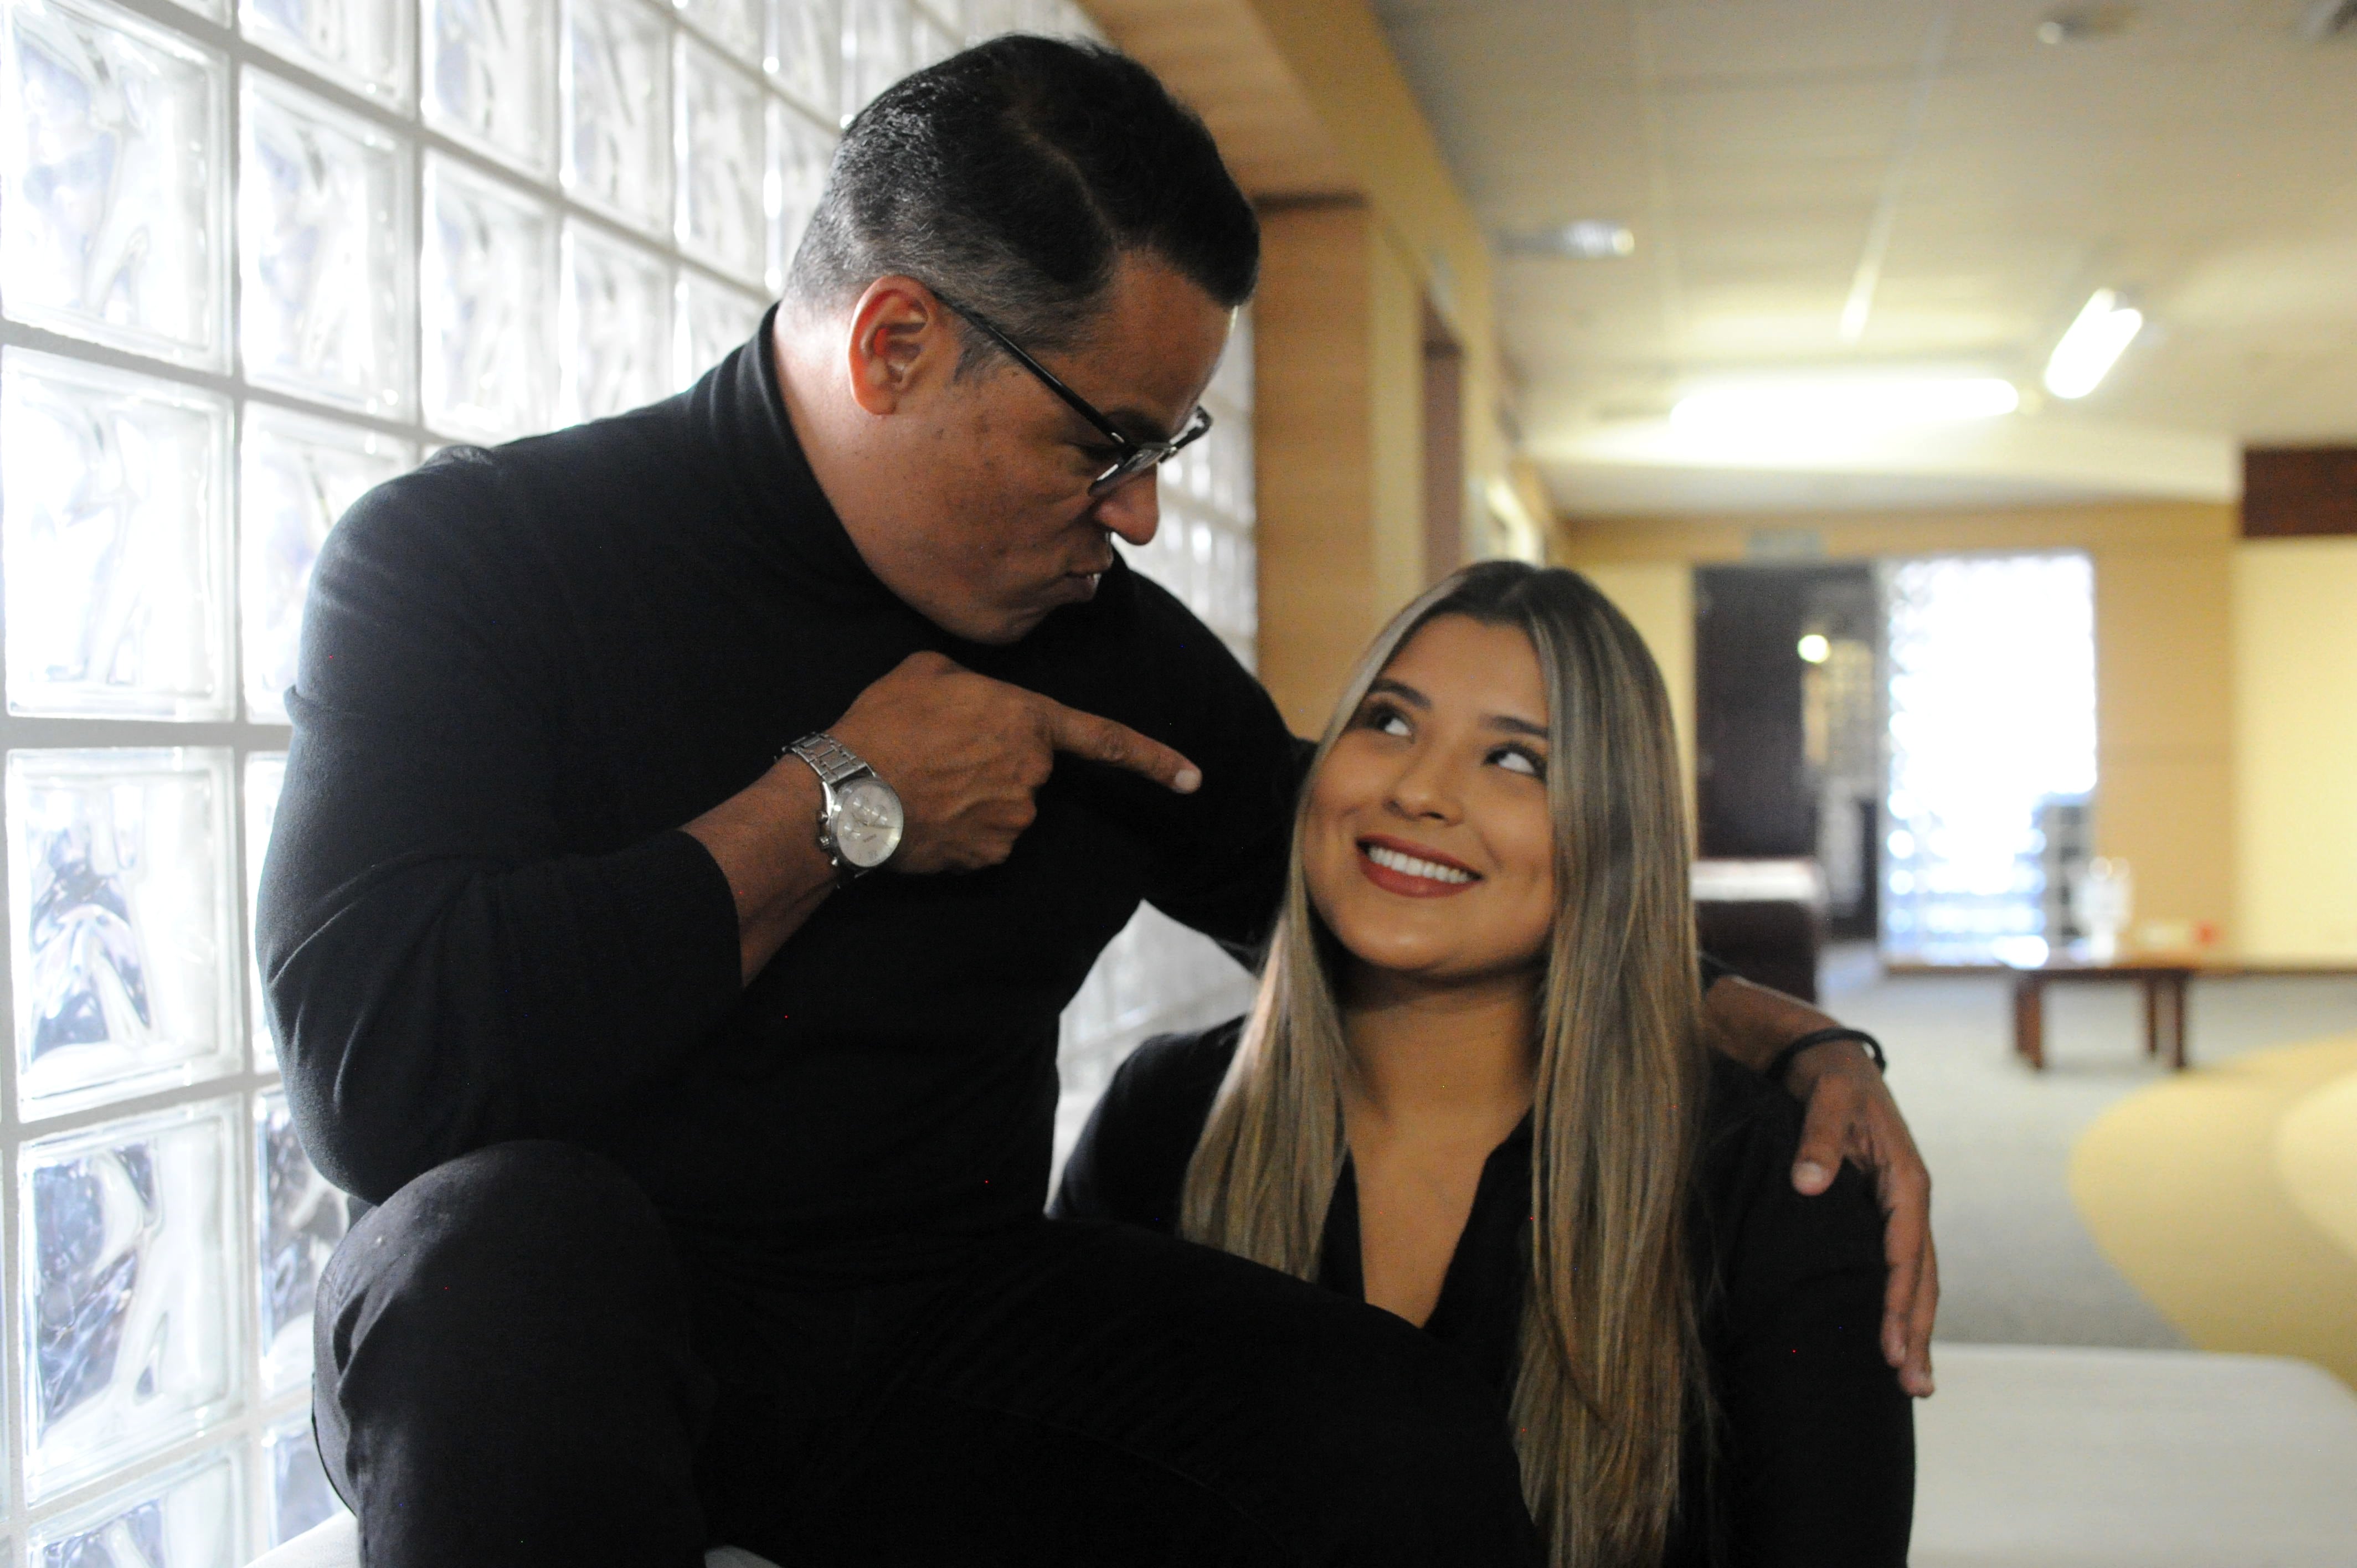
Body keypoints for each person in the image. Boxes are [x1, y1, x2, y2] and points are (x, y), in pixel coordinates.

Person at [259, 37, 1927, 1568]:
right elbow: (372, 1074)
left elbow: (1365, 872)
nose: (1135, 512)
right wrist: (841, 800)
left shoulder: (1101, 649)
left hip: (930, 1330)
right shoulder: (469, 561)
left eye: (1170, 444)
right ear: (898, 342)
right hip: (553, 1348)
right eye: (1105, 441)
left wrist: (1784, 1038)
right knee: (505, 1256)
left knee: (1390, 1439)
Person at [1056, 562, 1914, 1567]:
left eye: (1516, 760)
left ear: (1613, 838)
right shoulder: (1163, 1122)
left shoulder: (1767, 1185)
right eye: (1388, 722)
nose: (1419, 790)